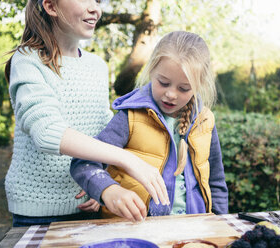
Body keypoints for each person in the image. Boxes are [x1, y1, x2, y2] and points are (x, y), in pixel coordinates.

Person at [4, 0, 169, 227]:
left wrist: (100, 184)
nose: (95, 9)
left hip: (92, 207)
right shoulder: (27, 59)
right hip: (39, 215)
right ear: (51, 7)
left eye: (98, 1)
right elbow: (46, 131)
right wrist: (128, 159)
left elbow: (104, 133)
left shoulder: (97, 65)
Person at [71, 31, 229, 217]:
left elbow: (216, 182)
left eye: (183, 88)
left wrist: (221, 222)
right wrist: (105, 189)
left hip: (193, 229)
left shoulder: (205, 121)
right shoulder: (130, 116)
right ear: (152, 71)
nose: (171, 94)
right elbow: (84, 163)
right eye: (163, 83)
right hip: (135, 229)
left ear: (199, 84)